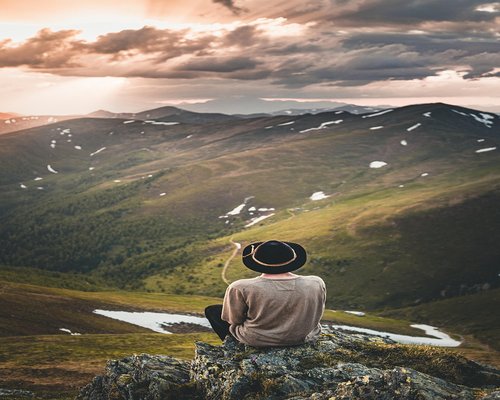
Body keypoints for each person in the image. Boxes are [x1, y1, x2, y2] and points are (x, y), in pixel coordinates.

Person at [204, 240, 326, 347]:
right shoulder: (316, 282)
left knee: (212, 311)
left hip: (257, 340)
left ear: (256, 262)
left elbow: (234, 320)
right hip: (305, 337)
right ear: (292, 260)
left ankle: (236, 346)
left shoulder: (240, 287)